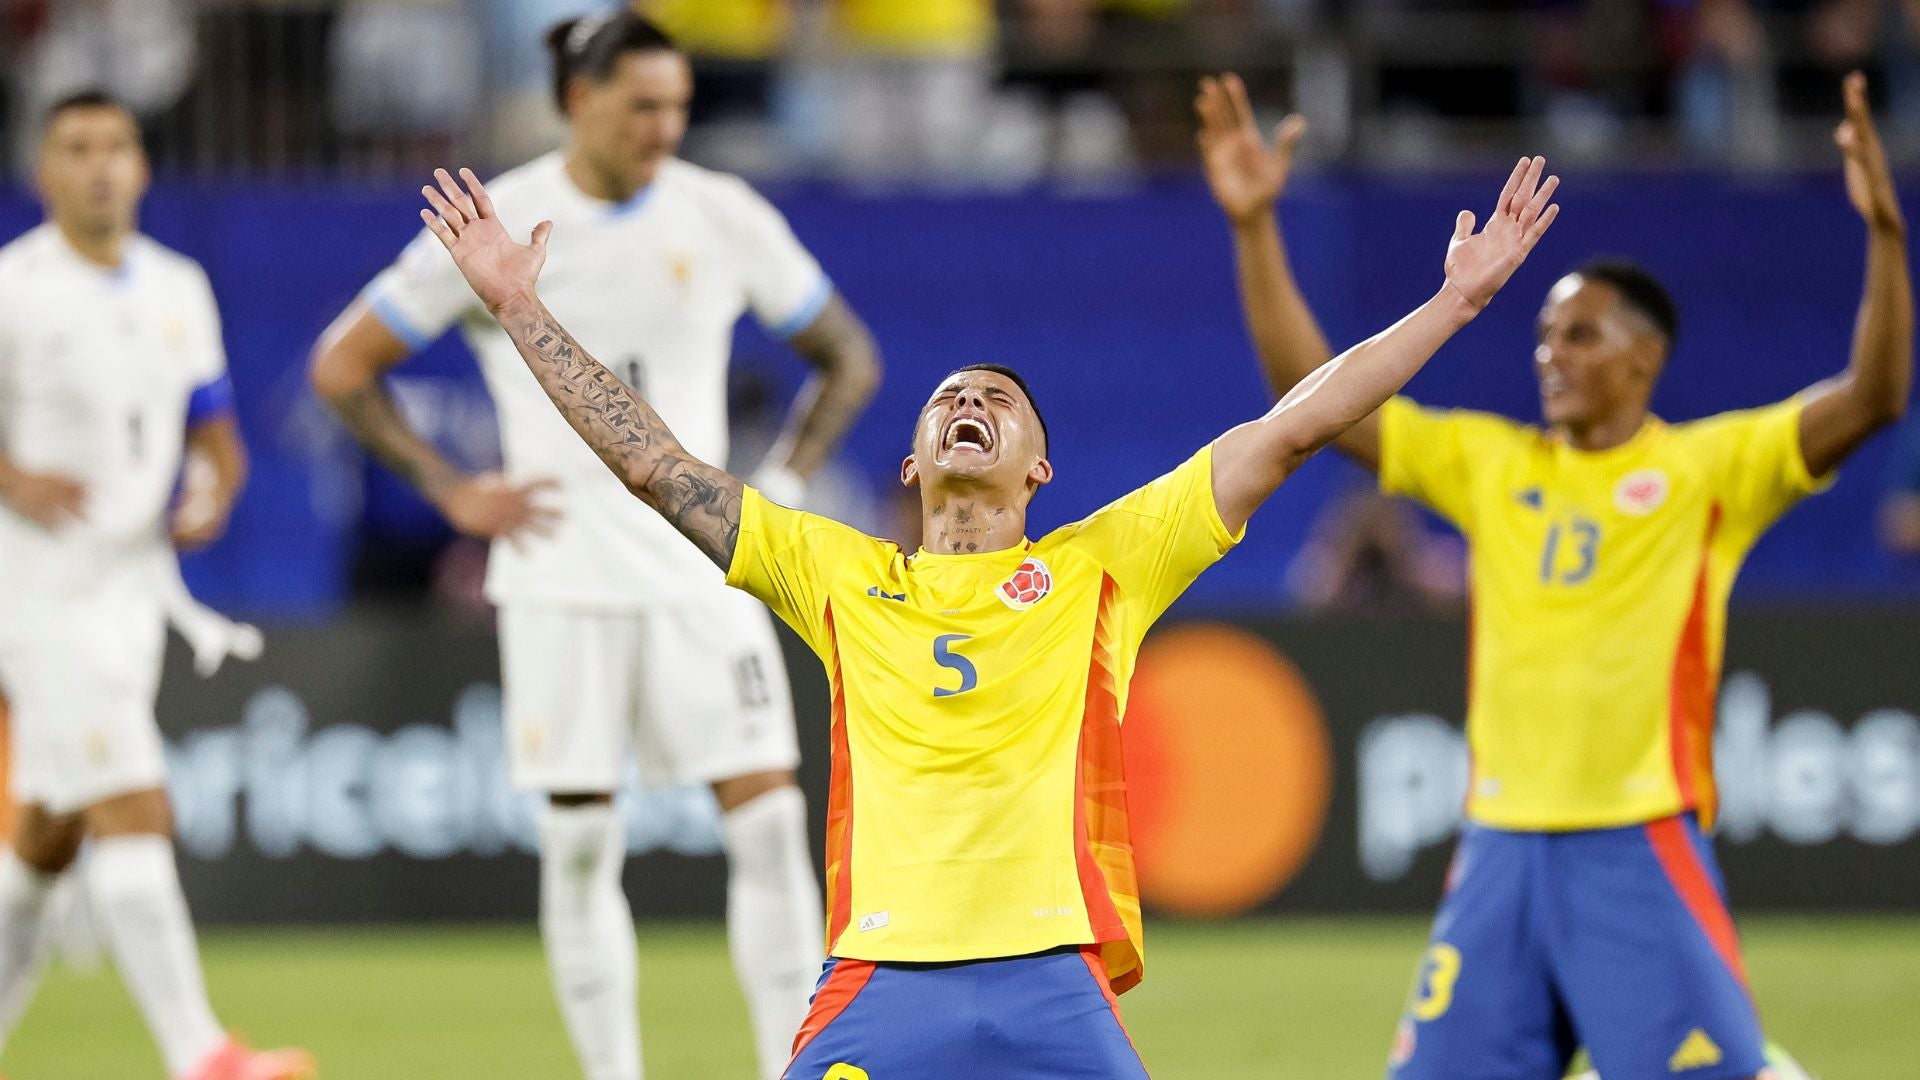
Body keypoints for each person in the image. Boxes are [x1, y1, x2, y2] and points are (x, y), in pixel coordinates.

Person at [408, 144, 1557, 1072]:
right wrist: (517, 307)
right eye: (950, 397)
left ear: (1038, 473)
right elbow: (657, 465)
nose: (970, 402)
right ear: (911, 464)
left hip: (1052, 984)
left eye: (998, 401)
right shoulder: (838, 575)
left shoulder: (1108, 563)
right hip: (877, 980)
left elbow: (1294, 428)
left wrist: (1452, 306)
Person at [1196, 69, 1911, 1080]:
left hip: (1635, 844)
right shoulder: (1493, 464)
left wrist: (1885, 233)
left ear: (1646, 359)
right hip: (1498, 850)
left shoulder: (1709, 469)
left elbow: (1875, 397)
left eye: (1581, 333)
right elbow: (1307, 401)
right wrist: (1256, 228)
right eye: (1542, 335)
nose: (1551, 353)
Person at [308, 14, 882, 1080]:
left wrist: (787, 484)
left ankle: (790, 1066)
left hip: (704, 574)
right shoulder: (501, 221)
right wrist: (453, 489)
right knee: (579, 844)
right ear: (581, 102)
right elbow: (342, 364)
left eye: (677, 106)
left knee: (767, 829)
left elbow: (847, 354)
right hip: (563, 575)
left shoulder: (723, 214)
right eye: (641, 107)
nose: (665, 127)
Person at [0, 92, 311, 1080]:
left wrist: (212, 488)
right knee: (132, 798)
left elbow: (213, 425)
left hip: (135, 590)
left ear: (140, 168)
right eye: (76, 148)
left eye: (116, 148)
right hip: (37, 588)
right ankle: (200, 1054)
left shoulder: (178, 287)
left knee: (45, 836)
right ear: (45, 174)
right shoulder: (14, 289)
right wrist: (16, 478)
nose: (98, 166)